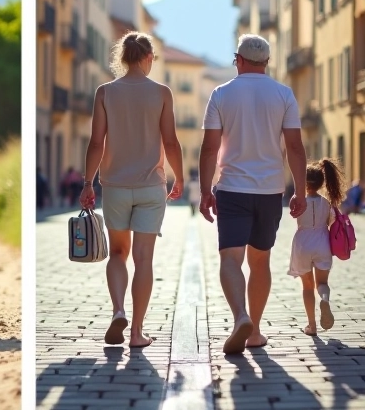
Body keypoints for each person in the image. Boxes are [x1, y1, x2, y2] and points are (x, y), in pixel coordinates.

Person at [199, 34, 307, 355]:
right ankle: (255, 331)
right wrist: (299, 191)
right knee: (260, 261)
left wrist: (206, 191)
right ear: (268, 62)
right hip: (271, 190)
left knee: (230, 259)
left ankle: (240, 317)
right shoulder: (284, 94)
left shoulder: (221, 94)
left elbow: (209, 148)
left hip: (232, 188)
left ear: (239, 60)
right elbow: (295, 147)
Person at [79, 31, 184, 348]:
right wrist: (179, 177)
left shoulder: (105, 92)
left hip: (115, 187)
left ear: (122, 58)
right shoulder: (162, 93)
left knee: (119, 254)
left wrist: (88, 181)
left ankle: (118, 310)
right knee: (143, 259)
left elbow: (97, 142)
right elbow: (170, 141)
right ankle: (137, 332)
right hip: (152, 187)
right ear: (149, 57)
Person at [289, 159, 344, 336]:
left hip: (303, 242)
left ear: (303, 182)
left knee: (307, 287)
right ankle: (325, 299)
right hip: (322, 242)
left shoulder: (296, 199)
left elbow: (293, 214)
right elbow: (331, 222)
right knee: (322, 283)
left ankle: (312, 326)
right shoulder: (327, 203)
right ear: (322, 183)